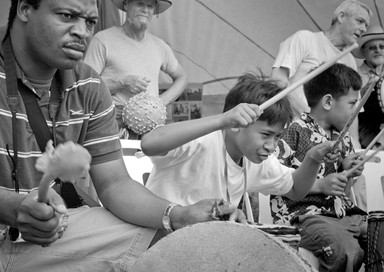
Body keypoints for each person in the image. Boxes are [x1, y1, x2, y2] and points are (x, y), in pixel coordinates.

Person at [0, 1, 235, 271]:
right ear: (25, 8)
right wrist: (11, 207)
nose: (82, 32)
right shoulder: (106, 42)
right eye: (67, 16)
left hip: (43, 240)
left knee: (170, 243)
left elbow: (114, 184)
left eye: (89, 22)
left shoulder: (89, 85)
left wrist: (179, 216)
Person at [141, 73, 339, 210]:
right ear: (235, 123)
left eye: (277, 137)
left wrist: (313, 159)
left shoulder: (256, 160)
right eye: (266, 134)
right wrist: (221, 120)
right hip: (161, 240)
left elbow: (296, 189)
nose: (271, 146)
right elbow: (149, 143)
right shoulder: (201, 140)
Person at [270, 63, 367, 272]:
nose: (358, 110)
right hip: (305, 218)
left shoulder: (344, 138)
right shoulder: (294, 131)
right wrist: (321, 185)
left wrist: (347, 173)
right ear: (328, 101)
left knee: (380, 232)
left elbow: (344, 194)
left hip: (343, 216)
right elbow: (276, 182)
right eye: (353, 103)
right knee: (347, 250)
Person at [270, 0, 372, 149]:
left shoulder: (349, 60)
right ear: (341, 16)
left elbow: (353, 109)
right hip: (289, 130)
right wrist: (308, 118)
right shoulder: (305, 39)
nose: (363, 29)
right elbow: (277, 80)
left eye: (366, 26)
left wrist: (354, 144)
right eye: (360, 21)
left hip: (323, 142)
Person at [84, 0, 187, 139]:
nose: (145, 9)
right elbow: (86, 87)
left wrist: (160, 102)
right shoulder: (103, 40)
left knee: (147, 161)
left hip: (151, 124)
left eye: (150, 6)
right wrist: (122, 83)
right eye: (140, 3)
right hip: (112, 121)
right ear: (126, 5)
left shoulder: (160, 46)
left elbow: (182, 77)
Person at [352, 24, 384, 149]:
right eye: (372, 48)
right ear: (364, 52)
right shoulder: (355, 75)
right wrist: (364, 91)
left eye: (382, 46)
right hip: (366, 134)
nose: (378, 50)